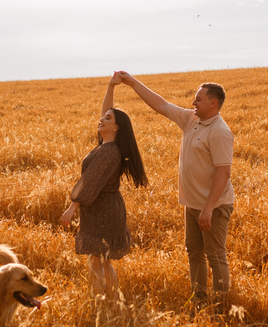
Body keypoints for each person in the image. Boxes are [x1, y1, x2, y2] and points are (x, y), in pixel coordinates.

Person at [115, 72, 234, 306]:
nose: (193, 102)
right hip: (192, 204)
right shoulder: (191, 119)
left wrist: (208, 209)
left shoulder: (220, 132)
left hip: (214, 207)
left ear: (214, 103)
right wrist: (131, 83)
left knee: (215, 256)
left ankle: (222, 306)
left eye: (198, 99)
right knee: (194, 253)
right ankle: (199, 300)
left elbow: (224, 173)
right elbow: (161, 104)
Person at [60, 74, 148, 298]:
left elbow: (90, 181)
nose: (101, 120)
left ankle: (101, 302)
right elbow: (107, 110)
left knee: (98, 262)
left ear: (116, 127)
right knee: (103, 261)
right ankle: (110, 301)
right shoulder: (108, 145)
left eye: (107, 119)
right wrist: (110, 86)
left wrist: (72, 208)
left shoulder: (109, 152)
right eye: (103, 118)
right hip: (105, 208)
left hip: (103, 210)